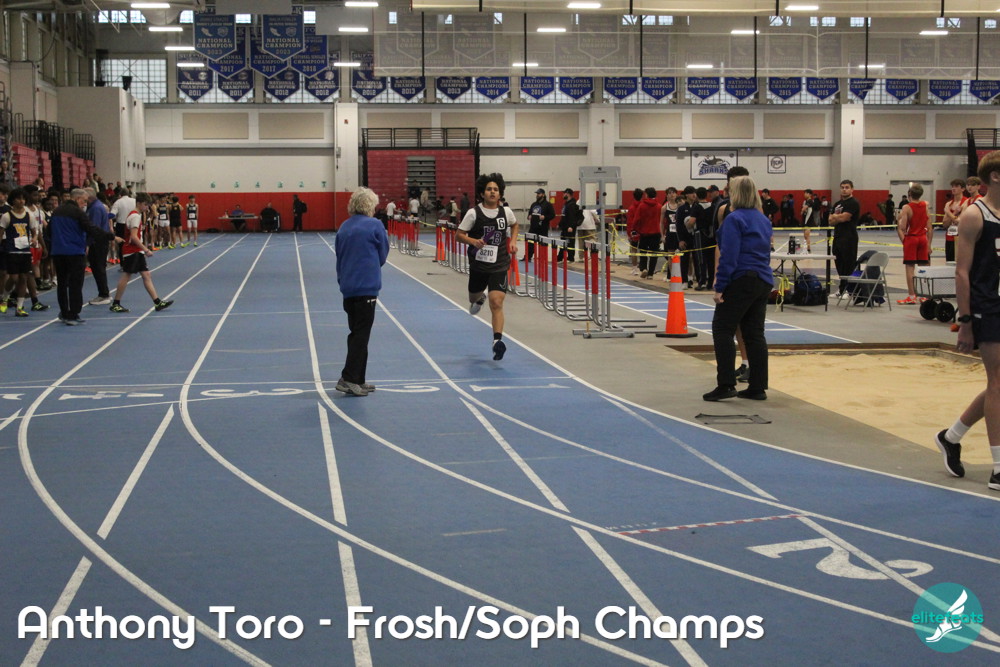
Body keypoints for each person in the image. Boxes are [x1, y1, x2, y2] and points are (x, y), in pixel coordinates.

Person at [936, 149, 1000, 492]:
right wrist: (965, 320)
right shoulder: (975, 215)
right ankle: (999, 467)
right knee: (997, 382)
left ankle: (951, 436)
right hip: (986, 306)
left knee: (998, 385)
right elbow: (961, 272)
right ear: (995, 177)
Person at [703, 175, 773, 402]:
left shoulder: (734, 219)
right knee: (754, 333)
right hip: (762, 279)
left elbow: (729, 256)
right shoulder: (763, 219)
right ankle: (758, 386)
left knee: (722, 328)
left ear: (735, 194)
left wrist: (720, 286)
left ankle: (726, 384)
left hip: (742, 278)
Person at [455, 172, 519, 361]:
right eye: (489, 189)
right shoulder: (473, 213)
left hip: (499, 264)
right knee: (473, 299)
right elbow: (459, 235)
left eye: (496, 189)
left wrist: (513, 241)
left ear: (500, 193)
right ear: (482, 193)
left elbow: (515, 225)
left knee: (496, 302)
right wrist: (473, 241)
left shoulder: (506, 212)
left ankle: (497, 341)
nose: (492, 192)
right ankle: (479, 298)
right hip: (479, 265)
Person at [334, 187, 389, 397]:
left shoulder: (344, 227)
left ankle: (358, 379)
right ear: (369, 206)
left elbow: (339, 255)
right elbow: (382, 255)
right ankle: (348, 378)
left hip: (348, 288)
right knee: (361, 335)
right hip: (366, 287)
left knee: (357, 333)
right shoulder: (375, 225)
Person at [49, 188, 116, 325]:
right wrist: (109, 236)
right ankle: (73, 313)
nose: (85, 204)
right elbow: (91, 228)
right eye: (84, 201)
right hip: (75, 252)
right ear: (77, 199)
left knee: (62, 283)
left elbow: (48, 231)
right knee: (76, 284)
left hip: (58, 252)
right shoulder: (78, 213)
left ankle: (64, 312)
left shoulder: (56, 211)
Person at [109, 193, 173, 315]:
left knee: (146, 275)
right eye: (145, 205)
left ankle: (157, 302)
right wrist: (146, 249)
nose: (147, 207)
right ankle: (115, 303)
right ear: (139, 203)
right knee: (126, 276)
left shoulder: (135, 215)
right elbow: (133, 237)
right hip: (132, 251)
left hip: (135, 251)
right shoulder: (135, 216)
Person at [0, 188, 41, 317]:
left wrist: (34, 239)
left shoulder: (29, 216)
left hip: (25, 250)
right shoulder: (7, 216)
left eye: (23, 198)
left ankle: (19, 307)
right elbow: (1, 233)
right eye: (18, 198)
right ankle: (5, 297)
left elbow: (34, 232)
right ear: (13, 200)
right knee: (13, 278)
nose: (21, 201)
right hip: (11, 250)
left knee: (23, 277)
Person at [895, 184, 932, 305]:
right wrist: (929, 244)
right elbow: (929, 226)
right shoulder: (925, 205)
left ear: (909, 194)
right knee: (923, 267)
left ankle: (912, 296)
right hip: (923, 238)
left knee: (910, 267)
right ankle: (924, 295)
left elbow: (902, 226)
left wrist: (899, 221)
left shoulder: (906, 207)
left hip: (912, 238)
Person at [828, 179, 861, 296]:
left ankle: (849, 289)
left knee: (848, 264)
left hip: (849, 237)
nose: (844, 189)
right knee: (839, 263)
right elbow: (830, 221)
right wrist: (837, 217)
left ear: (852, 189)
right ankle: (842, 289)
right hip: (838, 237)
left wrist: (836, 217)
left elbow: (845, 218)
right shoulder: (837, 204)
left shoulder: (853, 203)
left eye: (847, 187)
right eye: (842, 187)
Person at [84, 187, 113, 306]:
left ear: (89, 197)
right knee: (98, 268)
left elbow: (94, 228)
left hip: (98, 242)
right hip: (99, 241)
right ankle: (103, 293)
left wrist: (88, 244)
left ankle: (104, 294)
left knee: (98, 268)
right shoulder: (95, 206)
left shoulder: (95, 208)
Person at [635, 186, 662, 278]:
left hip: (644, 233)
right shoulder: (659, 206)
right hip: (656, 233)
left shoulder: (642, 206)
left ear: (646, 195)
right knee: (654, 253)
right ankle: (651, 273)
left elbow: (637, 219)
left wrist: (634, 229)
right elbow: (663, 220)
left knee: (643, 251)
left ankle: (644, 268)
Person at [526, 188, 555, 263]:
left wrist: (545, 217)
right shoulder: (534, 204)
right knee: (530, 243)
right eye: (537, 194)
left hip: (543, 228)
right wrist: (529, 216)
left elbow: (552, 215)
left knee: (542, 244)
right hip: (533, 227)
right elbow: (529, 213)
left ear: (543, 194)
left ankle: (542, 258)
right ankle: (528, 257)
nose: (537, 195)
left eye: (539, 194)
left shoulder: (548, 205)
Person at [942, 178, 967, 263]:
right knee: (949, 262)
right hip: (949, 237)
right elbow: (945, 224)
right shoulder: (949, 204)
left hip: (961, 237)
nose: (953, 188)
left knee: (960, 263)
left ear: (963, 189)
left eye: (956, 186)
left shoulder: (966, 202)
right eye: (952, 186)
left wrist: (948, 212)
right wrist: (955, 213)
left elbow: (959, 221)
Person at [558, 188, 581, 263]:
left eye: (564, 193)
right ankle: (560, 257)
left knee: (570, 243)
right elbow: (564, 215)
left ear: (568, 194)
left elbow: (572, 217)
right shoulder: (566, 204)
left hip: (569, 228)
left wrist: (571, 226)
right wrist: (560, 224)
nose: (563, 195)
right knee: (563, 242)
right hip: (564, 227)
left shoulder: (572, 205)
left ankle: (571, 258)